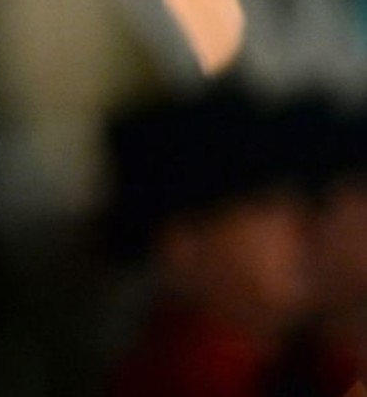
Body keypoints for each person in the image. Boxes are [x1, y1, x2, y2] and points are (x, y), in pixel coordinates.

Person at [104, 88, 312, 397]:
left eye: (299, 201)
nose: (301, 226)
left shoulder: (283, 367)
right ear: (184, 245)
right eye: (265, 206)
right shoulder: (183, 380)